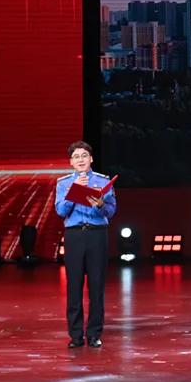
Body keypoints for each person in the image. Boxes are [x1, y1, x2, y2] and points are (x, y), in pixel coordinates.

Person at [55, 141, 116, 348]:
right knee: (74, 286)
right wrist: (75, 191)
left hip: (97, 235)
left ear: (91, 159)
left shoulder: (102, 181)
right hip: (74, 235)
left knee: (96, 286)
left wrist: (100, 205)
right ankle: (75, 335)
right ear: (71, 162)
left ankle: (94, 334)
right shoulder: (63, 183)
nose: (80, 160)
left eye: (84, 156)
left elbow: (111, 211)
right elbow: (61, 211)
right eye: (76, 157)